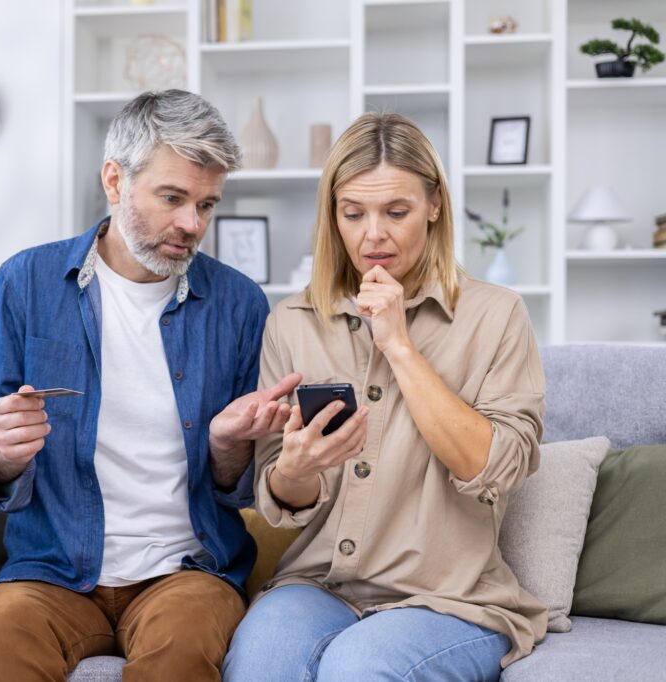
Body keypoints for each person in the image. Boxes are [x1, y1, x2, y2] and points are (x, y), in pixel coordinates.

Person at [0, 89, 300, 682]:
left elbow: (243, 489)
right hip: (51, 570)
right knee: (1, 631)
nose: (191, 224)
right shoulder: (26, 282)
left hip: (188, 572)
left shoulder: (240, 304)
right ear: (114, 181)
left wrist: (226, 447)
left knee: (184, 650)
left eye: (207, 204)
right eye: (173, 198)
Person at [223, 112, 547, 681]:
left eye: (396, 212)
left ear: (434, 205)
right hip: (318, 586)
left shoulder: (496, 315)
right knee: (260, 665)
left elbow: (493, 467)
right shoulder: (293, 323)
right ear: (333, 216)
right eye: (354, 213)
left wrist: (398, 344)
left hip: (450, 598)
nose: (374, 234)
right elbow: (283, 494)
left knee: (358, 668)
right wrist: (295, 468)